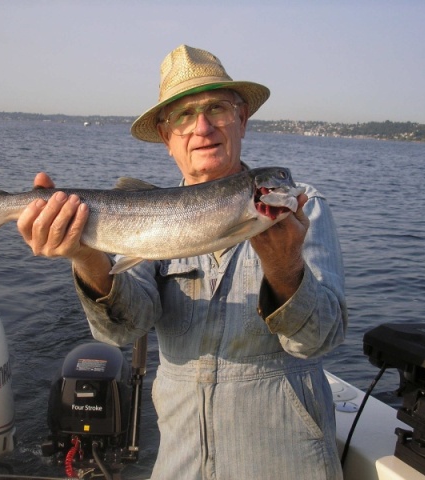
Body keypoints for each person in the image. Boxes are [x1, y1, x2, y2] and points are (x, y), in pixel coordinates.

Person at [18, 45, 347, 479]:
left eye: (218, 108)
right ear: (166, 136)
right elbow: (124, 328)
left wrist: (286, 271)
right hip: (181, 464)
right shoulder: (145, 213)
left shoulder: (303, 210)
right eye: (183, 116)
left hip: (285, 462)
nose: (203, 127)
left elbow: (321, 341)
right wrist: (85, 254)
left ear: (242, 119)